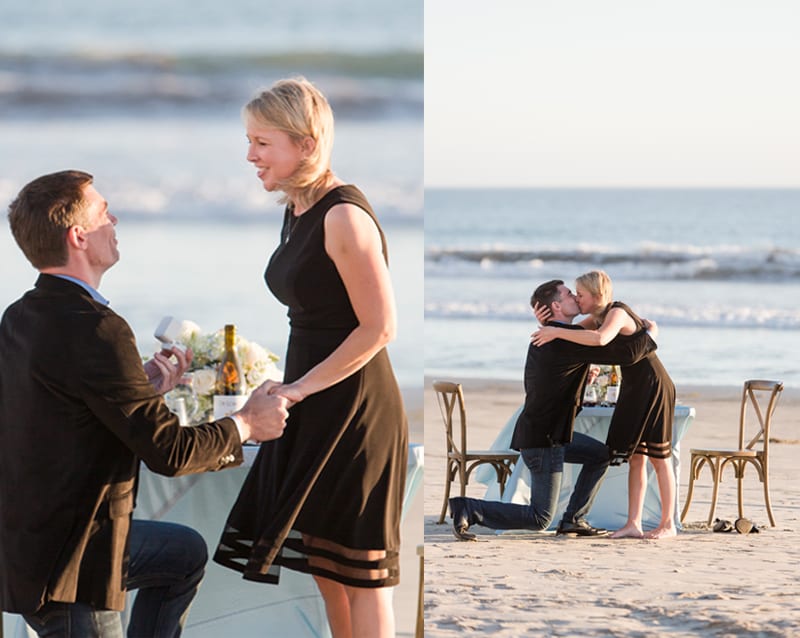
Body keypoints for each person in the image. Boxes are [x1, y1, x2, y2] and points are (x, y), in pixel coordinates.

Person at [0, 170, 291, 637]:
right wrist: (246, 423)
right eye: (102, 212)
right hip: (72, 568)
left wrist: (142, 392)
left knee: (183, 555)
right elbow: (171, 454)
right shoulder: (99, 329)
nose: (114, 219)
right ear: (78, 236)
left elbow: (51, 418)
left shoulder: (20, 315)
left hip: (27, 546)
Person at [212, 77, 407, 638]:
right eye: (249, 141)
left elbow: (381, 327)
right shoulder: (298, 206)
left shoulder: (344, 216)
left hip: (355, 409)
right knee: (324, 565)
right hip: (313, 401)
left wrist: (296, 389)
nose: (250, 155)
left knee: (361, 572)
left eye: (261, 142)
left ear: (304, 142)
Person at [449, 279, 658, 541]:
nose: (575, 297)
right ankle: (468, 507)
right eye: (570, 294)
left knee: (600, 455)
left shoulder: (556, 335)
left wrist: (551, 324)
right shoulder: (561, 340)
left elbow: (592, 331)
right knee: (540, 518)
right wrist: (649, 335)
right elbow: (625, 352)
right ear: (557, 305)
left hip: (552, 435)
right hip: (544, 440)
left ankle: (573, 519)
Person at [532, 270, 677, 539]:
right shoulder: (597, 316)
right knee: (637, 458)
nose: (576, 298)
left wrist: (554, 330)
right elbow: (572, 333)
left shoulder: (616, 312)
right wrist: (547, 324)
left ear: (597, 296)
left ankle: (668, 524)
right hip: (633, 388)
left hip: (653, 385)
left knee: (659, 457)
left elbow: (600, 340)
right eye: (573, 294)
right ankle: (634, 523)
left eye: (581, 294)